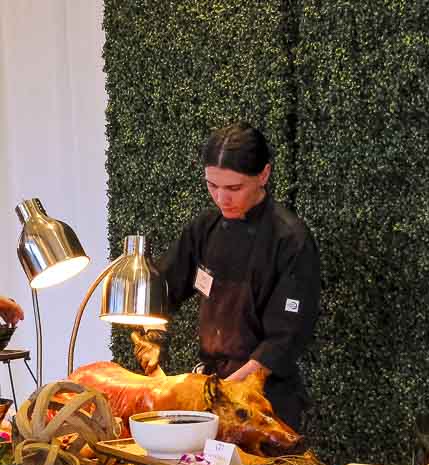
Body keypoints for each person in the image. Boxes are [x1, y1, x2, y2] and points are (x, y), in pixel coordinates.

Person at [136, 123, 321, 431]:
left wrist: (224, 393)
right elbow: (164, 289)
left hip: (264, 400)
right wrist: (149, 333)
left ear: (264, 175)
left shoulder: (290, 240)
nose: (222, 198)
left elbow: (284, 338)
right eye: (212, 186)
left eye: (234, 188)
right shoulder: (204, 229)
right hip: (211, 385)